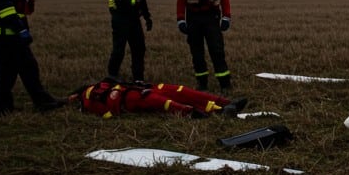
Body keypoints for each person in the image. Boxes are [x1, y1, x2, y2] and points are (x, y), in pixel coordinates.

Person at [177, 0, 233, 90]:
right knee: (197, 53)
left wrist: (226, 17)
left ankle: (225, 84)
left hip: (211, 17)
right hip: (193, 18)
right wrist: (180, 19)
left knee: (217, 50)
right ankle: (202, 84)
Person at [69, 78, 246, 119]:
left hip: (138, 89)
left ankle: (225, 103)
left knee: (180, 91)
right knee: (163, 102)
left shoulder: (102, 84)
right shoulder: (86, 104)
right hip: (129, 99)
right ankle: (217, 111)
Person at [107, 0, 152, 82]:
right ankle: (112, 76)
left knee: (139, 49)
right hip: (120, 19)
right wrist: (134, 0)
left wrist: (147, 17)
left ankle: (138, 78)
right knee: (119, 49)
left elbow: (143, 1)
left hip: (134, 20)